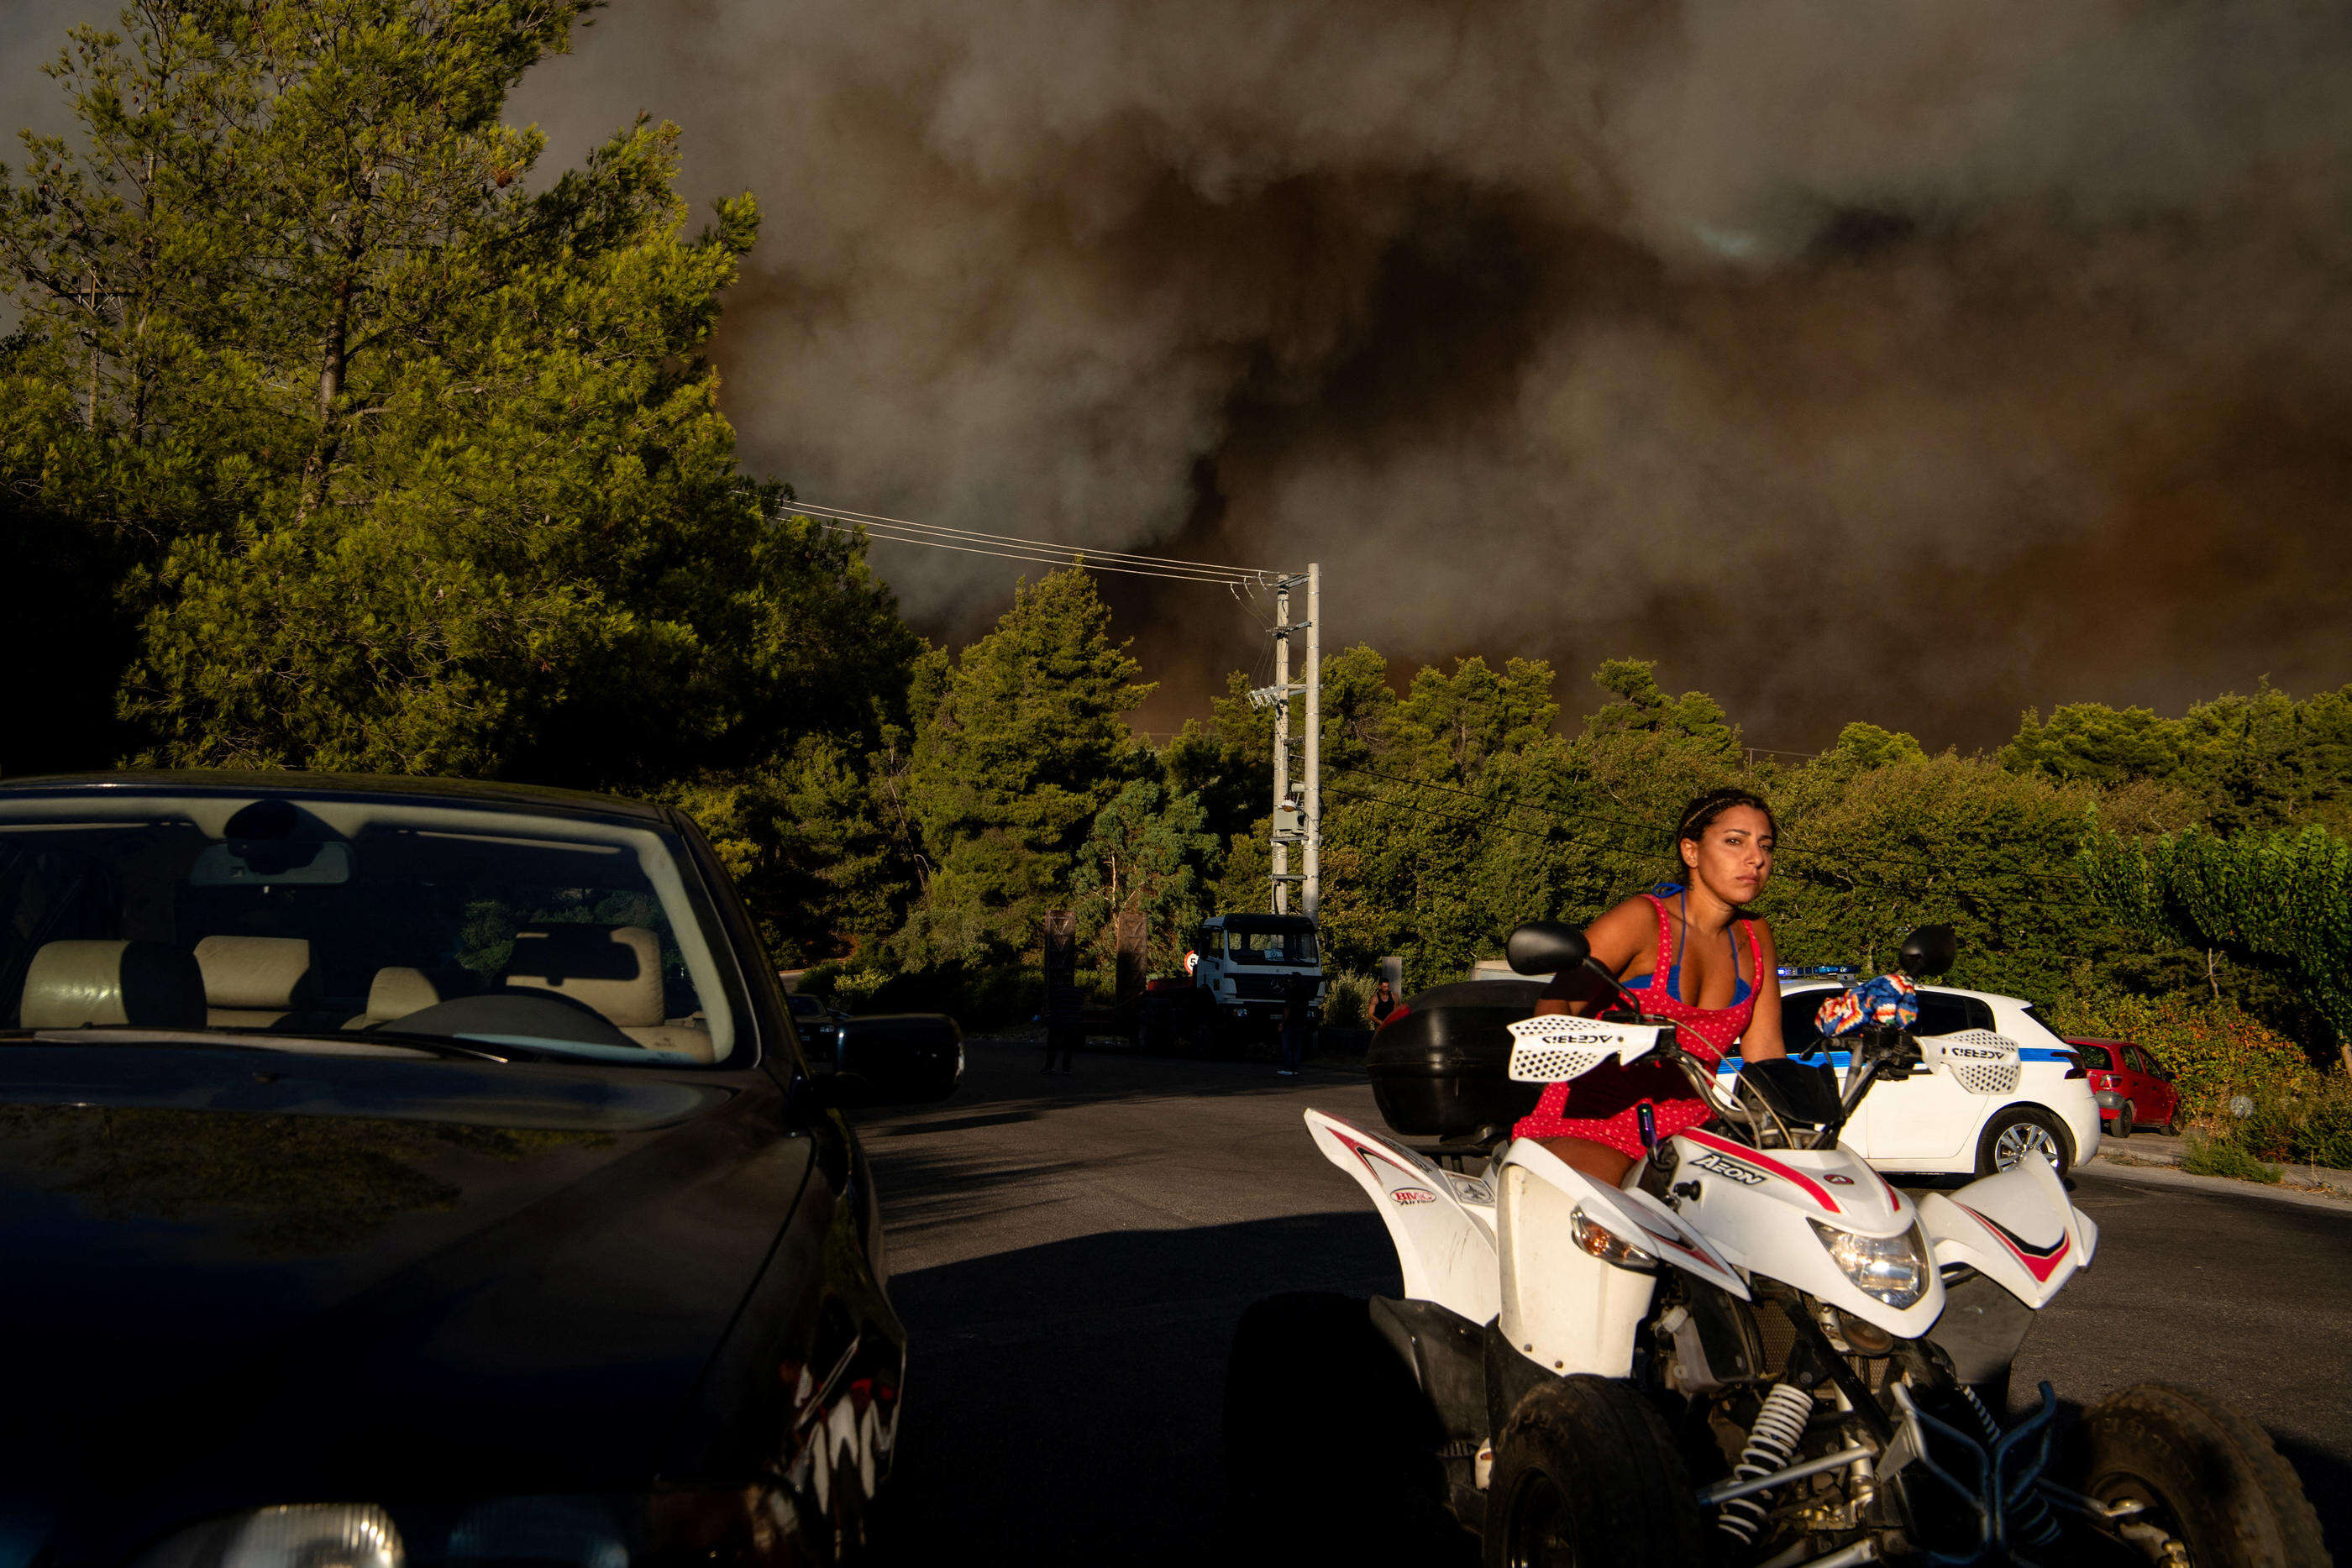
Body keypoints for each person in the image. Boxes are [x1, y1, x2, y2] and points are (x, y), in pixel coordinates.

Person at [1513, 787, 1788, 1187]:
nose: (1756, 859)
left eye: (1766, 846)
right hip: (1595, 1124)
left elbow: (1765, 1054)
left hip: (1693, 1141)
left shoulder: (1755, 934)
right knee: (1601, 1216)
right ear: (1690, 852)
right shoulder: (1643, 919)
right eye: (1735, 841)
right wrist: (1607, 1041)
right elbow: (1557, 1006)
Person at [1278, 970, 1317, 1076]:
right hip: (1301, 1022)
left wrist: (1282, 1023)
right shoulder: (1305, 992)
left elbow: (1287, 1009)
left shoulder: (1291, 992)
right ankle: (1296, 1068)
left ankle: (1288, 1068)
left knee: (1287, 1046)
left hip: (1290, 1022)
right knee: (1297, 1046)